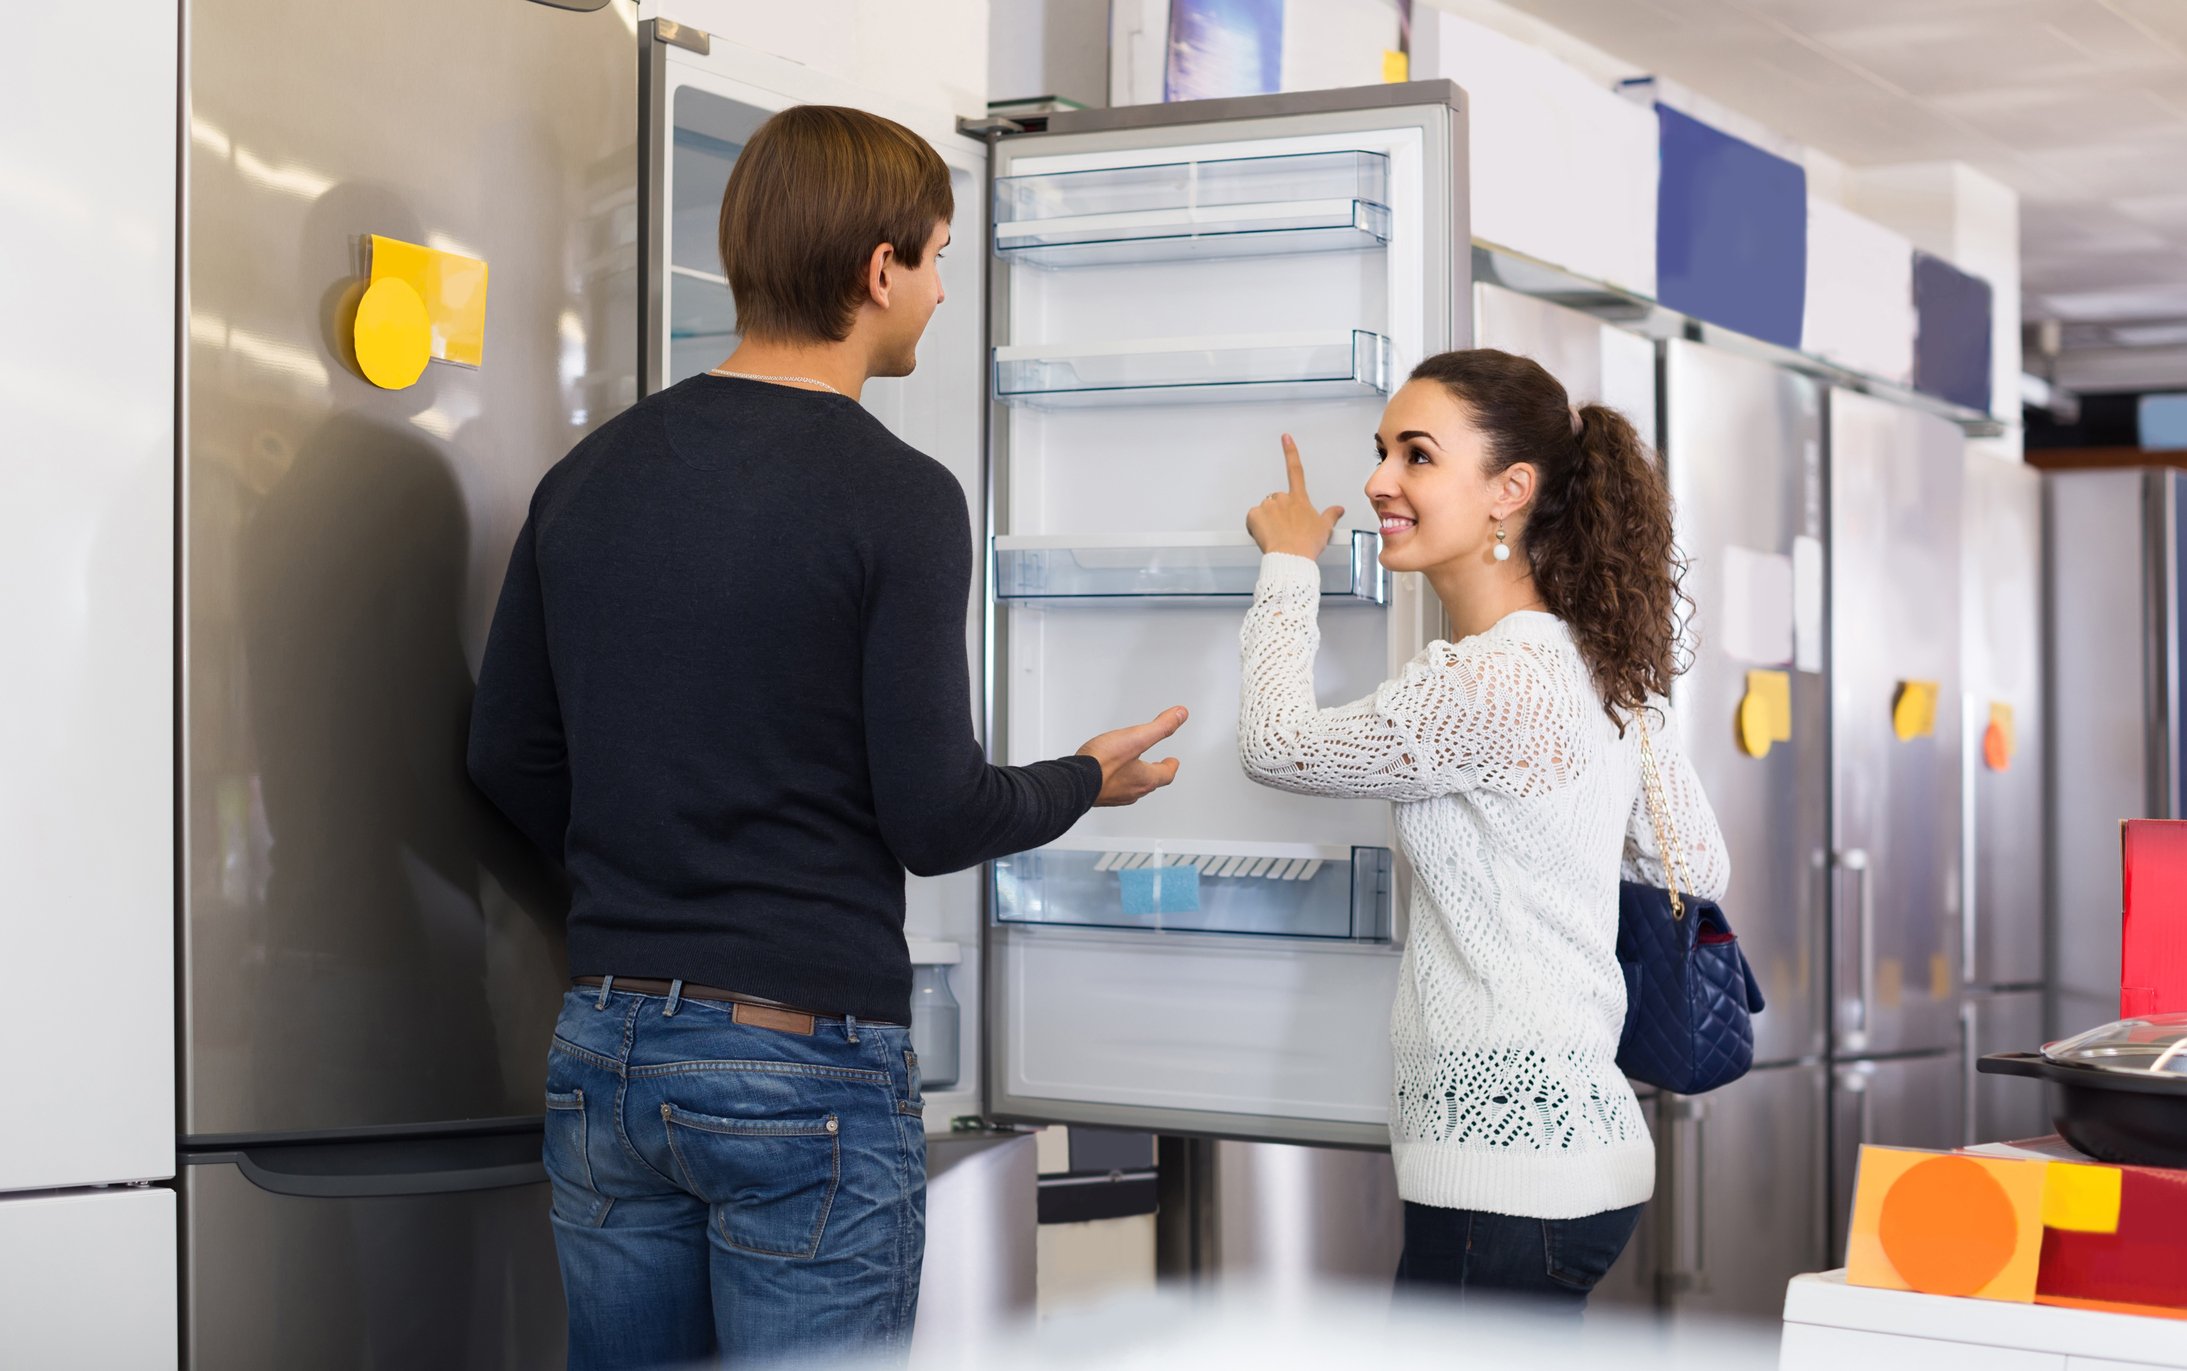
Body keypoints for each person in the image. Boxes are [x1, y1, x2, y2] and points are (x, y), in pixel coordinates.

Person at [467, 104, 1188, 1369]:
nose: (942, 291)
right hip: (796, 1068)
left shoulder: (590, 474)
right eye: (940, 257)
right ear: (878, 269)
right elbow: (935, 813)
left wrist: (648, 886)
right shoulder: (899, 498)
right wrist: (1085, 778)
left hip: (606, 1051)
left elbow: (507, 757)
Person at [1235, 348, 1729, 1313]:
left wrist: (1289, 567)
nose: (1380, 480)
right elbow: (1695, 861)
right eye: (1382, 452)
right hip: (1583, 1149)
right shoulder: (1592, 664)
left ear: (1511, 490)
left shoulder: (1487, 678)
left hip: (1504, 1173)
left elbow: (1276, 745)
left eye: (1416, 456)